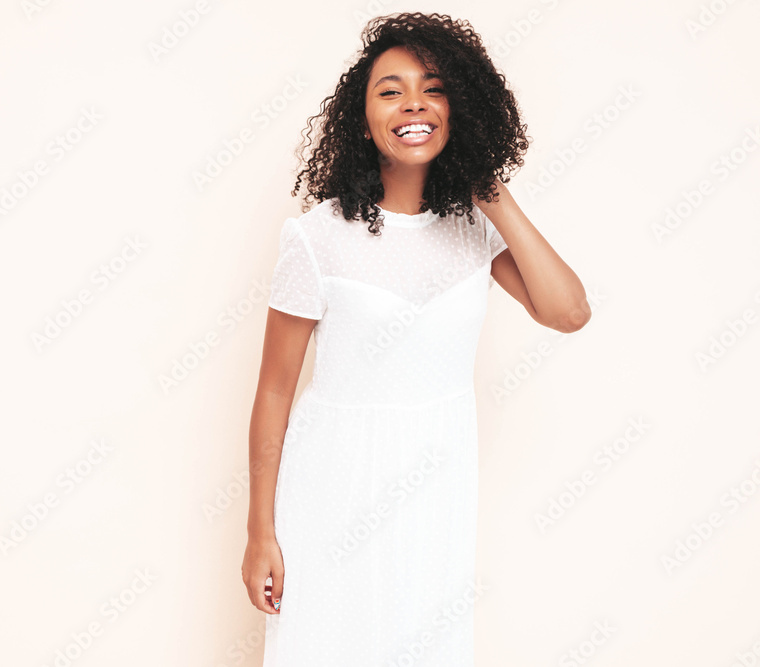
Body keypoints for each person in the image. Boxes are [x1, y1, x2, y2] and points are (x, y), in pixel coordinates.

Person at [242, 11, 590, 665]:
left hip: (437, 485)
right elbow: (274, 391)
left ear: (462, 109)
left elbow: (568, 312)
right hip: (333, 484)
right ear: (361, 118)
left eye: (433, 89)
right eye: (390, 90)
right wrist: (260, 530)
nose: (413, 104)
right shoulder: (317, 237)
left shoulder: (476, 231)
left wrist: (490, 190)